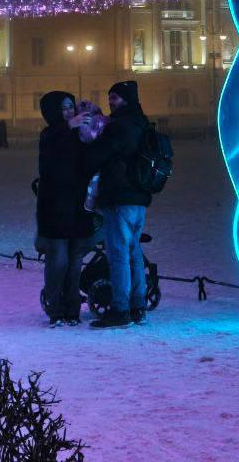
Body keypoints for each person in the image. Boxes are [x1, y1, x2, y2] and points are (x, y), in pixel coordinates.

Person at [85, 80, 152, 328]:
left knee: (118, 253)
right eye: (109, 96)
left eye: (115, 97)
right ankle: (138, 306)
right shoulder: (141, 122)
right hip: (139, 198)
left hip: (119, 197)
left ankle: (121, 309)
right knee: (133, 251)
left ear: (126, 99)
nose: (110, 101)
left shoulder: (119, 126)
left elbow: (97, 154)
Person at [34, 92, 97, 326]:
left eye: (71, 107)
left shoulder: (80, 135)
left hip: (78, 207)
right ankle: (55, 308)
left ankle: (72, 309)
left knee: (74, 263)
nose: (69, 112)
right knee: (58, 261)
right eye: (64, 108)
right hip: (55, 209)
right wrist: (68, 126)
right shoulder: (49, 135)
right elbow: (51, 152)